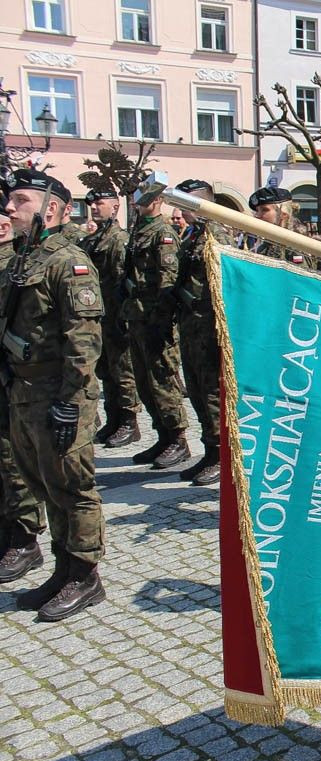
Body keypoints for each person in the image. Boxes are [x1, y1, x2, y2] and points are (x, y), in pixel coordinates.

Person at [0, 169, 106, 621]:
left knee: (72, 487)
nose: (9, 207)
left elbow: (84, 340)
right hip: (23, 390)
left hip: (60, 394)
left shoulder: (70, 261)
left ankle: (85, 575)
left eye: (20, 200)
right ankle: (62, 569)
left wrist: (71, 399)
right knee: (42, 483)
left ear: (54, 208)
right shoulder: (22, 259)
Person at [170, 180, 236, 486]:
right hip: (192, 326)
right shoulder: (193, 235)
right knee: (196, 390)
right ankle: (210, 452)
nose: (180, 211)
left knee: (211, 393)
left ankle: (221, 455)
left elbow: (225, 283)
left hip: (210, 327)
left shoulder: (216, 233)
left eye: (185, 204)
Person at [121, 184, 191, 470]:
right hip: (137, 317)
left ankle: (178, 438)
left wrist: (162, 320)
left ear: (158, 200)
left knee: (162, 380)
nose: (139, 202)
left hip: (156, 318)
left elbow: (168, 278)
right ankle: (163, 435)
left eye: (146, 197)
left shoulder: (162, 234)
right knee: (144, 381)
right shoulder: (139, 230)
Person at [0, 192, 49, 586]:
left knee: (11, 458)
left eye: (18, 202)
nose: (11, 211)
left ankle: (24, 536)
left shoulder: (15, 264)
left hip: (21, 378)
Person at [80, 187, 141, 448]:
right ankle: (113, 418)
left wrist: (124, 317)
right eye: (91, 204)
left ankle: (129, 422)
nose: (94, 207)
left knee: (122, 370)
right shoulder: (94, 239)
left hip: (116, 314)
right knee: (106, 370)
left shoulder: (118, 239)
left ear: (115, 206)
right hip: (100, 316)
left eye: (100, 203)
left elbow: (122, 280)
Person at [247, 187, 311, 268]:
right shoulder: (267, 244)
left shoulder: (294, 245)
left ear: (283, 214)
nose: (257, 215)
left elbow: (299, 278)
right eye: (257, 210)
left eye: (264, 210)